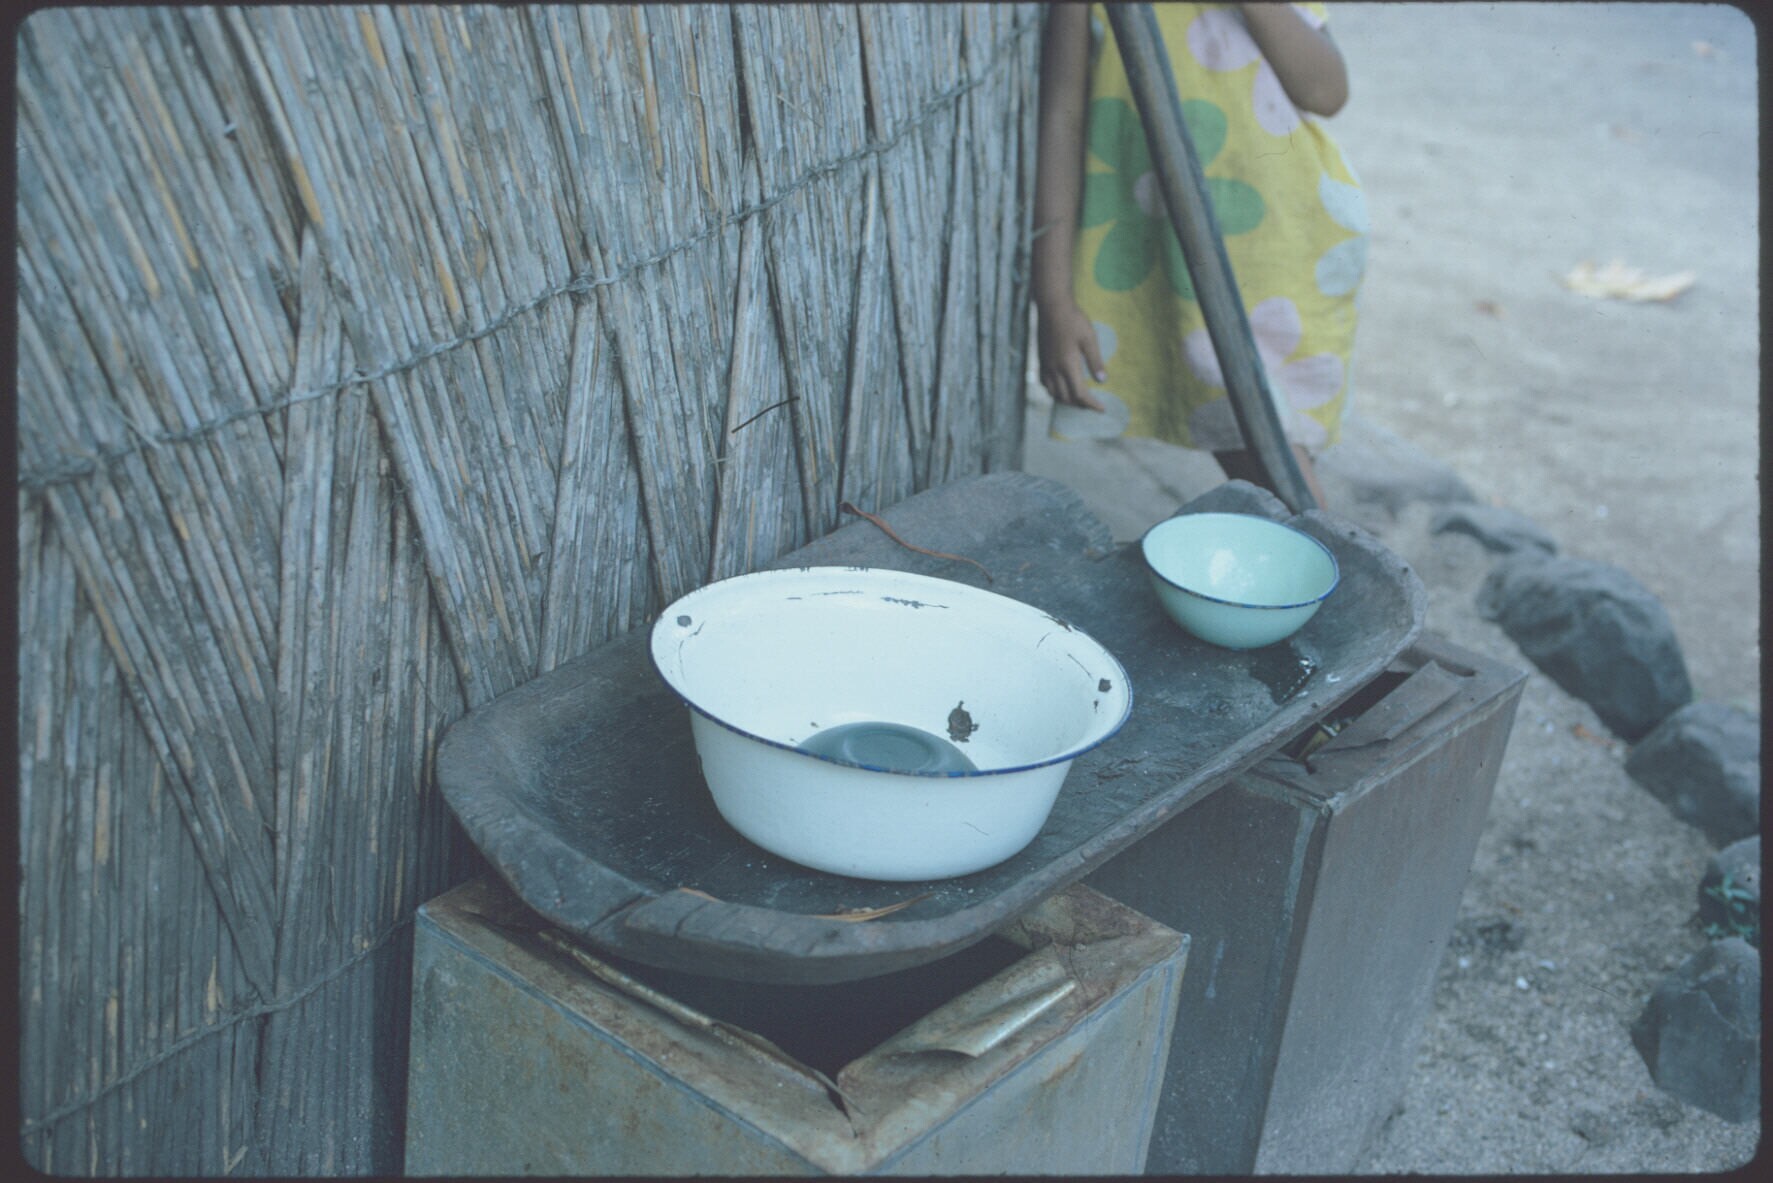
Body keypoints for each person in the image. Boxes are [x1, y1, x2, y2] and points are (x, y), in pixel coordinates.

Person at [1032, 2, 1366, 506]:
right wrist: (1054, 299)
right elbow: (1063, 120)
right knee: (1282, 482)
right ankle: (1325, 556)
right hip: (1180, 270)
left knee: (1281, 476)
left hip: (1288, 253)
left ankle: (1316, 555)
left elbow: (1327, 92)